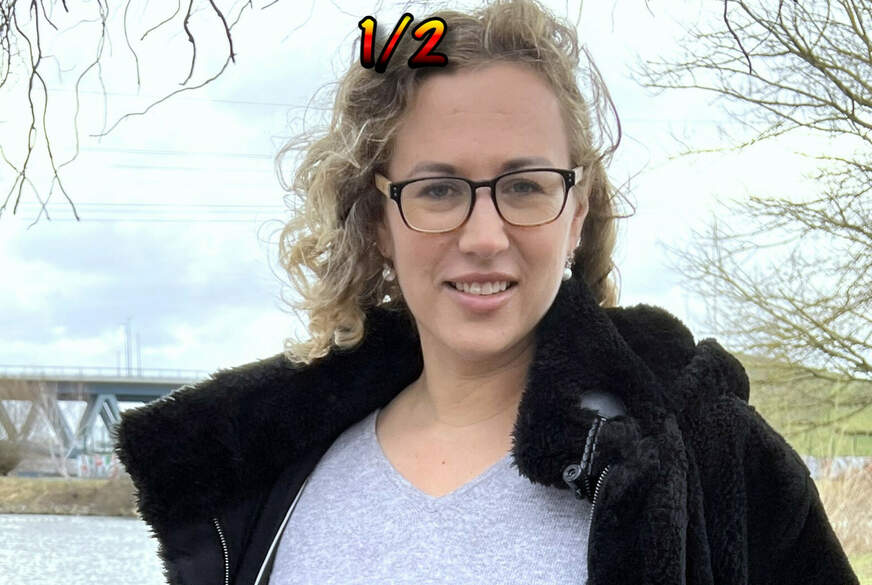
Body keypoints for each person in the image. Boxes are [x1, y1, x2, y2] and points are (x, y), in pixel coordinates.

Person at [114, 2, 859, 584]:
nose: (483, 235)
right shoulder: (270, 476)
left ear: (577, 213)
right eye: (438, 189)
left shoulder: (708, 453)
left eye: (525, 185)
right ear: (377, 221)